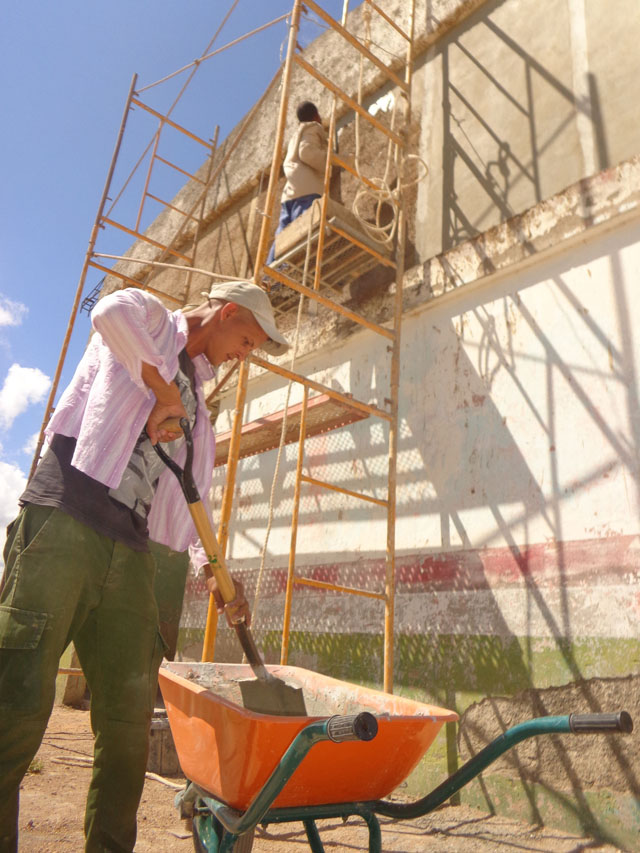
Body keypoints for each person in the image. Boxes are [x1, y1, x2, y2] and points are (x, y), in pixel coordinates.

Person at [0, 281, 289, 853]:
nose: (245, 355)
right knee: (17, 703)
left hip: (131, 549)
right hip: (66, 514)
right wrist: (161, 391)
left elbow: (190, 499)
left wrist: (215, 571)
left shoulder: (200, 413)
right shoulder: (153, 320)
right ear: (227, 312)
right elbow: (109, 311)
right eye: (247, 340)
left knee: (129, 725)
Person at [266, 100, 328, 267]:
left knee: (282, 236)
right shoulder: (313, 128)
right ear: (316, 116)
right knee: (300, 233)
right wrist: (330, 162)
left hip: (290, 192)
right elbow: (306, 152)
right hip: (307, 189)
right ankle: (288, 271)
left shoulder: (296, 135)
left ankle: (269, 274)